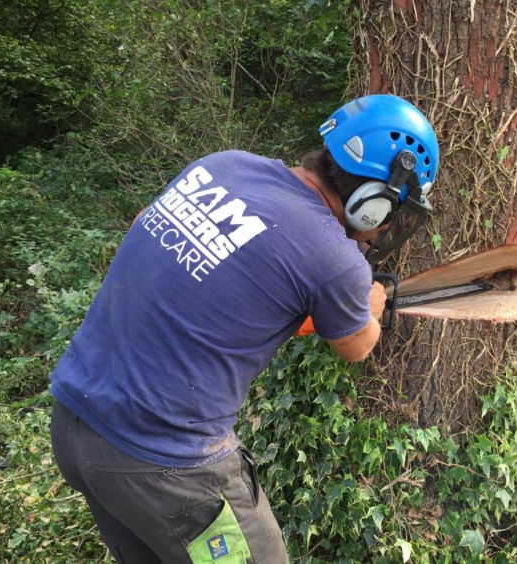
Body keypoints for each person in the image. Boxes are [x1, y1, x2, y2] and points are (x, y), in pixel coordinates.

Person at [49, 94, 439, 563]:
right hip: (165, 462)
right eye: (392, 209)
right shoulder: (336, 258)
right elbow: (356, 346)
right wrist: (370, 308)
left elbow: (144, 229)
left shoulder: (224, 165)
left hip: (74, 424)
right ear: (371, 202)